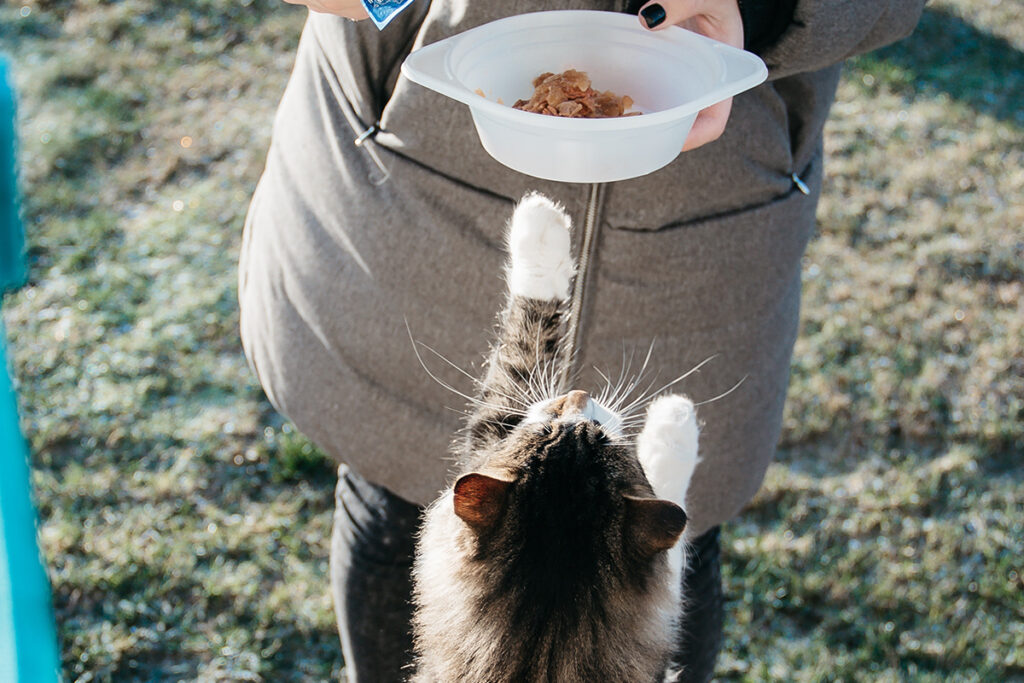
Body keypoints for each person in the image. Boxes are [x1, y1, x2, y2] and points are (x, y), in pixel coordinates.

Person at [239, 1, 925, 680]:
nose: (572, 396)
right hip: (415, 179)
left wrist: (765, 7)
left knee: (674, 533)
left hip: (717, 230)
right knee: (396, 496)